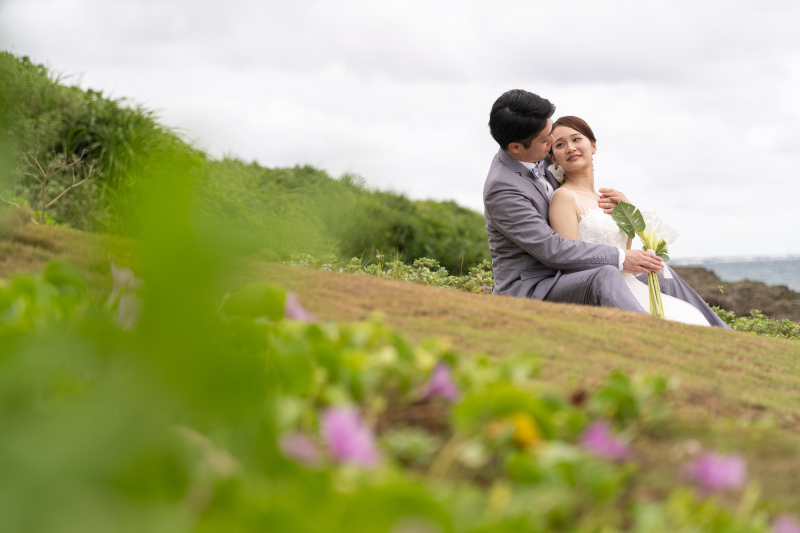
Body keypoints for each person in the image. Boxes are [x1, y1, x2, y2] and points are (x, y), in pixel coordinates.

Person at [482, 89, 728, 327]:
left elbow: (573, 151)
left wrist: (627, 213)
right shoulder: (503, 188)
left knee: (660, 270)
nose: (554, 145)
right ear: (515, 147)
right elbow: (552, 250)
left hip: (568, 271)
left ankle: (722, 334)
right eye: (548, 141)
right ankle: (654, 336)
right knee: (606, 274)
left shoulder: (536, 153)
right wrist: (621, 258)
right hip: (534, 287)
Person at [548, 116, 712, 326]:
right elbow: (569, 262)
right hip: (600, 286)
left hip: (627, 282)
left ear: (593, 145)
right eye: (560, 145)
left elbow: (624, 251)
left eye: (576, 139)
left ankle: (724, 331)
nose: (570, 148)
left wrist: (629, 214)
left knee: (667, 277)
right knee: (679, 321)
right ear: (554, 158)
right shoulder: (564, 197)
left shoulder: (609, 200)